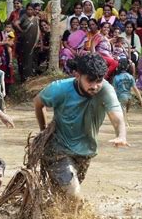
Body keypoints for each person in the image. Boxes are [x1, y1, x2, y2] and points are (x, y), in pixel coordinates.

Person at [33, 53, 128, 200]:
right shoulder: (59, 89)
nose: (95, 86)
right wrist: (44, 130)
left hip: (85, 152)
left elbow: (117, 117)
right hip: (58, 149)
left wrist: (121, 135)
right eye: (90, 81)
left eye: (99, 81)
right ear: (77, 75)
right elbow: (38, 103)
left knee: (64, 198)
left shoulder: (106, 90)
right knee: (75, 195)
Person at [112, 58, 142, 126]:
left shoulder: (116, 77)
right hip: (129, 98)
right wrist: (141, 101)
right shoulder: (130, 77)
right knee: (125, 113)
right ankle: (127, 123)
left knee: (123, 116)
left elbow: (113, 91)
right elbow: (135, 89)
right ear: (127, 67)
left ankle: (125, 125)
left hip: (121, 98)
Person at [15, 3, 40, 82]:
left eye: (31, 9)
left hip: (33, 42)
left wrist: (38, 41)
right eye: (28, 9)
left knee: (31, 59)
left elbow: (38, 31)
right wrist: (22, 30)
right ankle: (24, 77)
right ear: (26, 10)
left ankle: (30, 76)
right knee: (25, 59)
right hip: (24, 42)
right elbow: (16, 23)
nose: (30, 11)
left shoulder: (36, 19)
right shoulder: (24, 17)